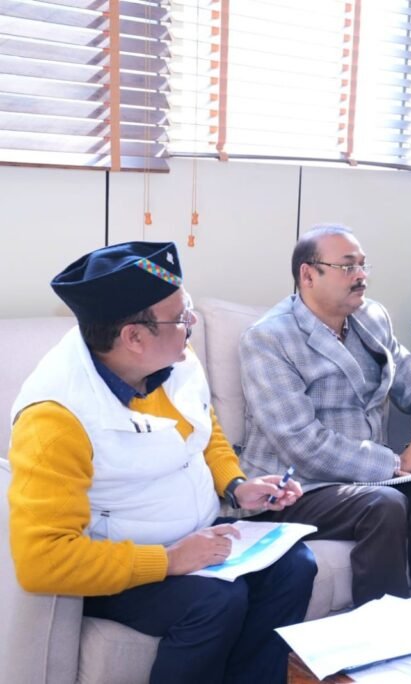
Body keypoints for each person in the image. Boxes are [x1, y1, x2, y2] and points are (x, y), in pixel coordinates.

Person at [7, 241, 317, 684]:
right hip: (121, 561)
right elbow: (44, 560)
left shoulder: (176, 358)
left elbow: (202, 429)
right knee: (214, 601)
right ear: (134, 338)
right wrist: (169, 560)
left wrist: (235, 486)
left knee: (296, 565)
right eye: (180, 316)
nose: (192, 323)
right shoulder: (55, 418)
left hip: (194, 537)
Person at [239, 224, 411, 606]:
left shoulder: (371, 318)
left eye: (362, 265)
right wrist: (396, 463)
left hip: (366, 481)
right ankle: (379, 636)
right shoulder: (269, 338)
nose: (361, 276)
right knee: (384, 505)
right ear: (308, 275)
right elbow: (301, 443)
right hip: (297, 488)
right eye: (347, 267)